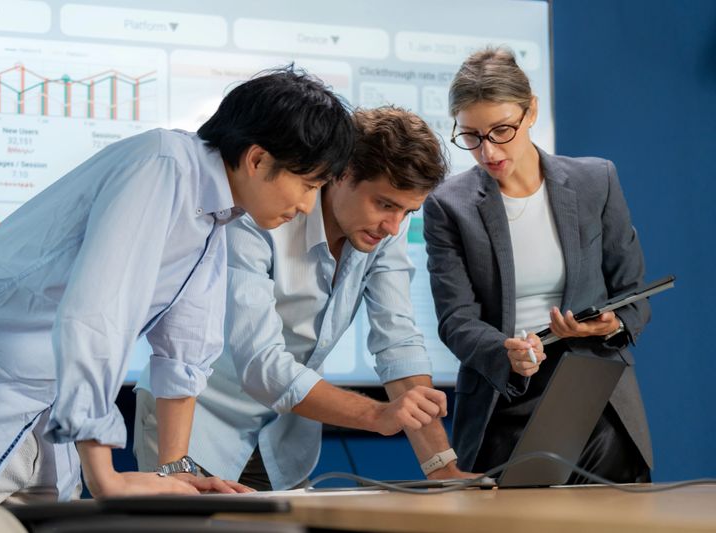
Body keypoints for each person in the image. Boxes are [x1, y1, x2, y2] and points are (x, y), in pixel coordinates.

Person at [0, 67, 354, 503]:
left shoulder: (214, 211)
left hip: (42, 400)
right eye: (308, 185)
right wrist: (105, 477)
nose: (307, 206)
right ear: (258, 160)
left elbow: (185, 348)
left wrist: (175, 469)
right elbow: (95, 318)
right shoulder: (163, 166)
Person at [134, 106, 476, 490]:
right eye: (384, 204)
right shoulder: (258, 215)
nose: (394, 226)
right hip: (196, 425)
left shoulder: (385, 231)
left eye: (407, 211)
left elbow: (398, 341)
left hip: (282, 439)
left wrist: (441, 465)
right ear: (341, 173)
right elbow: (261, 364)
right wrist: (376, 415)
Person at [423, 48, 652, 483]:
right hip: (505, 395)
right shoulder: (447, 206)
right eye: (471, 136)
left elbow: (633, 292)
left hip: (595, 391)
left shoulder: (596, 181)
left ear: (531, 111)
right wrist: (504, 351)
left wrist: (612, 323)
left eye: (501, 130)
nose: (487, 151)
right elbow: (456, 320)